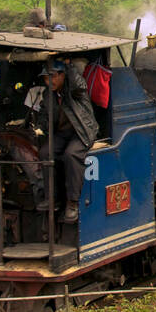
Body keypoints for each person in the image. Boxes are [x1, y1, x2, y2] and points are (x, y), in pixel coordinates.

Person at [32, 58, 97, 223]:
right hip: (62, 134)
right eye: (47, 78)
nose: (50, 81)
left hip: (81, 132)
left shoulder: (75, 89)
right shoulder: (48, 95)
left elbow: (77, 83)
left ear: (62, 75)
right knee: (45, 152)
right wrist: (40, 127)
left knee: (71, 154)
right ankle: (52, 198)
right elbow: (45, 115)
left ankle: (72, 202)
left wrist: (68, 65)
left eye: (53, 76)